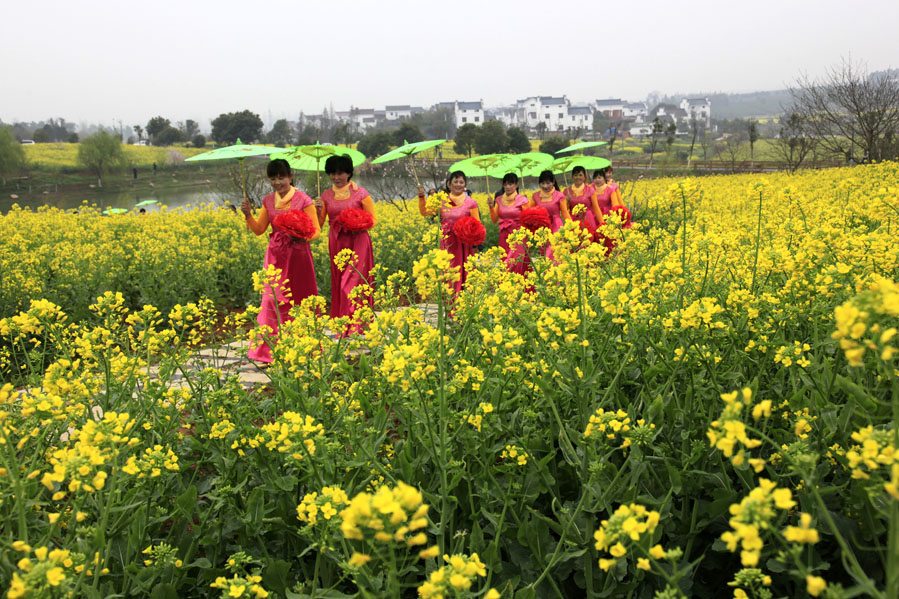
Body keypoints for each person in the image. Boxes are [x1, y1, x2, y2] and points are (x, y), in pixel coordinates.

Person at [241, 158, 320, 363]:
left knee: (299, 300)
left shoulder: (304, 200)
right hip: (275, 256)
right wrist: (248, 214)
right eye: (273, 179)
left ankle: (303, 346)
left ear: (291, 177)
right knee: (271, 299)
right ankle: (270, 349)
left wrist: (301, 236)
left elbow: (316, 230)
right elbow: (259, 230)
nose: (278, 182)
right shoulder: (268, 200)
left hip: (298, 256)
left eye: (281, 178)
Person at [316, 154, 376, 326]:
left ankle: (358, 324)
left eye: (340, 173)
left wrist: (357, 223)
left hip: (358, 242)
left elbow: (373, 219)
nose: (336, 177)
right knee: (340, 281)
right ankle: (342, 323)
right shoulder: (326, 196)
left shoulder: (361, 194)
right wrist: (317, 209)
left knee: (352, 282)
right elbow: (319, 225)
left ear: (349, 173)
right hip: (337, 242)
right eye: (332, 173)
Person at [418, 170, 480, 295]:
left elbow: (477, 225)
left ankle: (464, 301)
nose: (458, 184)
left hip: (464, 244)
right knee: (448, 272)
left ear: (465, 185)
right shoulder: (441, 200)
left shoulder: (471, 203)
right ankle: (449, 303)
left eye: (461, 182)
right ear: (449, 184)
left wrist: (474, 243)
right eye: (455, 181)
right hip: (447, 243)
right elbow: (425, 212)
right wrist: (421, 197)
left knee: (465, 273)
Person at [488, 173, 530, 275]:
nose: (507, 187)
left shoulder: (522, 200)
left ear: (516, 185)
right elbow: (494, 220)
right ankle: (506, 287)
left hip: (518, 235)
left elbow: (528, 219)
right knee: (505, 259)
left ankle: (517, 286)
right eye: (505, 184)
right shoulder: (499, 200)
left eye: (510, 184)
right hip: (504, 235)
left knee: (515, 261)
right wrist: (490, 206)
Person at [528, 170, 571, 258]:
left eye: (548, 183)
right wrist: (524, 201)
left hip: (556, 226)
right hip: (542, 228)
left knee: (554, 250)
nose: (545, 186)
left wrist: (571, 226)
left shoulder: (560, 195)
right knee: (544, 252)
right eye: (542, 183)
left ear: (553, 182)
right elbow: (529, 212)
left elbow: (564, 212)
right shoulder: (535, 196)